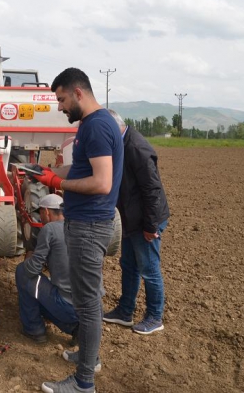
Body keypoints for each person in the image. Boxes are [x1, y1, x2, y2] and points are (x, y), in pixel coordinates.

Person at [35, 68, 123, 393]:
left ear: (78, 92)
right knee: (88, 301)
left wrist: (58, 183)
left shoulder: (97, 126)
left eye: (61, 100)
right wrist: (49, 173)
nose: (59, 107)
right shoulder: (93, 124)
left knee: (86, 305)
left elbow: (101, 182)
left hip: (89, 226)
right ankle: (89, 357)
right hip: (85, 222)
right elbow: (84, 168)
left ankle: (84, 382)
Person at [103, 110, 170, 335]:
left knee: (149, 269)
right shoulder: (121, 145)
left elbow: (152, 190)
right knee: (129, 266)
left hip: (146, 221)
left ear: (114, 128)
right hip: (132, 218)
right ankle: (125, 312)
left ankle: (154, 317)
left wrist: (150, 227)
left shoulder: (136, 148)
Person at [16, 194, 81, 347]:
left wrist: (31, 254)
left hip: (68, 305)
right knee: (47, 289)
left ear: (46, 212)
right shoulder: (79, 225)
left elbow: (32, 270)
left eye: (41, 214)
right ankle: (76, 328)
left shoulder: (50, 229)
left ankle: (34, 329)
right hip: (90, 306)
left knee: (22, 272)